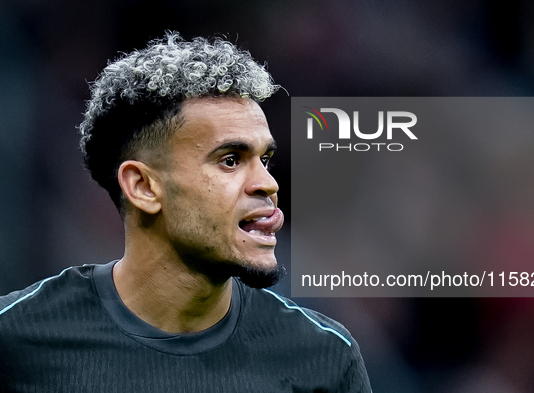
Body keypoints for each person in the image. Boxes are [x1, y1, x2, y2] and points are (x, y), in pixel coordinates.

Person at [0, 32, 372, 392]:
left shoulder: (324, 357)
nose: (268, 184)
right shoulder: (15, 339)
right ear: (144, 187)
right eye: (230, 160)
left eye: (265, 159)